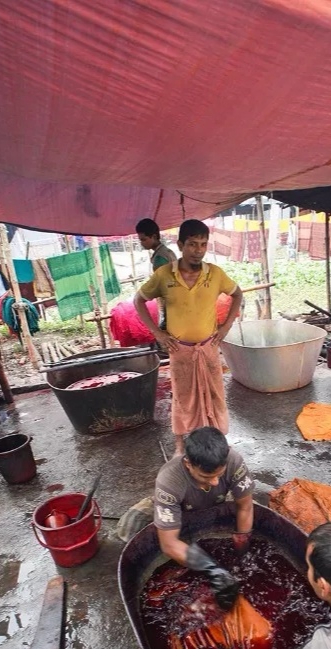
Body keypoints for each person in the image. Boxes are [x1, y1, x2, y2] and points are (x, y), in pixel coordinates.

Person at [134, 220, 243, 453]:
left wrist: (225, 327)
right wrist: (157, 333)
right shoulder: (164, 275)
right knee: (183, 397)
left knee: (214, 394)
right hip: (179, 349)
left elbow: (237, 294)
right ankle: (180, 444)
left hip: (209, 347)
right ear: (180, 245)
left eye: (203, 244)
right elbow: (139, 300)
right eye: (192, 244)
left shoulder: (215, 274)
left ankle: (219, 440)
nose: (198, 250)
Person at [115, 427, 254, 565]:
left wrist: (242, 546)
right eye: (205, 476)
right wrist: (211, 568)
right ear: (188, 464)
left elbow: (245, 507)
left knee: (252, 509)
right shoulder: (169, 480)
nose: (215, 482)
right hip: (176, 506)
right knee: (129, 525)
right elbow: (169, 544)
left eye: (220, 474)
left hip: (216, 501)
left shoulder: (234, 461)